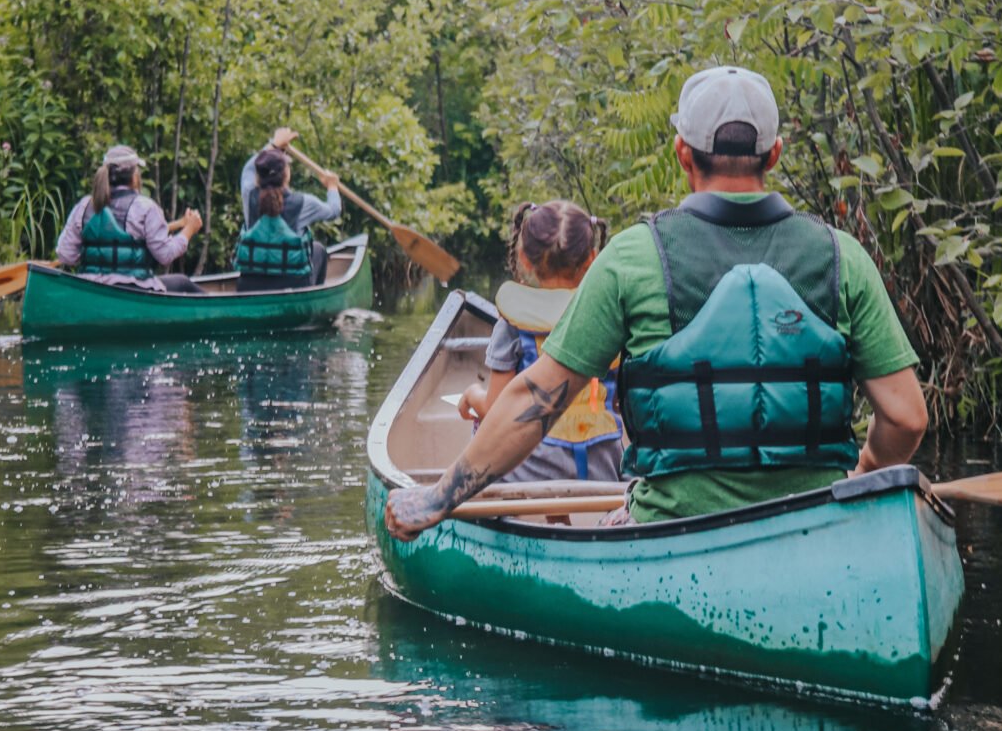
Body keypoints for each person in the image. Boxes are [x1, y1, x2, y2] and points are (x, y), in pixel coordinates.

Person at [386, 66, 928, 539]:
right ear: (775, 154)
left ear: (682, 154)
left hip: (673, 526)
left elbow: (535, 403)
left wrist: (438, 498)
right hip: (816, 518)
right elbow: (905, 417)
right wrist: (867, 472)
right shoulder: (843, 256)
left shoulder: (632, 258)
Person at [457, 201, 619, 485]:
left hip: (531, 472)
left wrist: (472, 394)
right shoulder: (609, 317)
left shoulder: (512, 324)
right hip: (603, 469)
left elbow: (496, 410)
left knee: (484, 427)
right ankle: (561, 518)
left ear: (524, 258)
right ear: (592, 258)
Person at [55, 144, 203, 291]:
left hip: (89, 288)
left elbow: (66, 255)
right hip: (134, 289)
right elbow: (165, 255)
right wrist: (189, 230)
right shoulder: (145, 207)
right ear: (134, 176)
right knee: (183, 282)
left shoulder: (84, 206)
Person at [239, 126, 342, 283]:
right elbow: (334, 211)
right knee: (318, 250)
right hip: (292, 286)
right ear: (286, 174)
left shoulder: (248, 193)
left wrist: (274, 145)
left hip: (250, 285)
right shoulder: (304, 203)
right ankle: (313, 300)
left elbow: (249, 167)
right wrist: (332, 186)